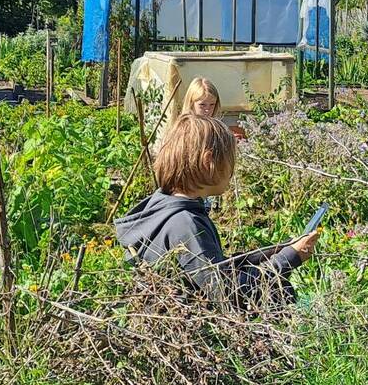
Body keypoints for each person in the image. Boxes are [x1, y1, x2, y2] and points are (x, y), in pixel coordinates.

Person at [115, 113, 318, 302]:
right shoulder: (185, 224)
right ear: (209, 161)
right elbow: (225, 292)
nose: (233, 170)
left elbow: (213, 269)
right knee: (280, 292)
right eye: (230, 160)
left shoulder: (163, 208)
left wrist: (275, 250)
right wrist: (289, 258)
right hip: (196, 326)